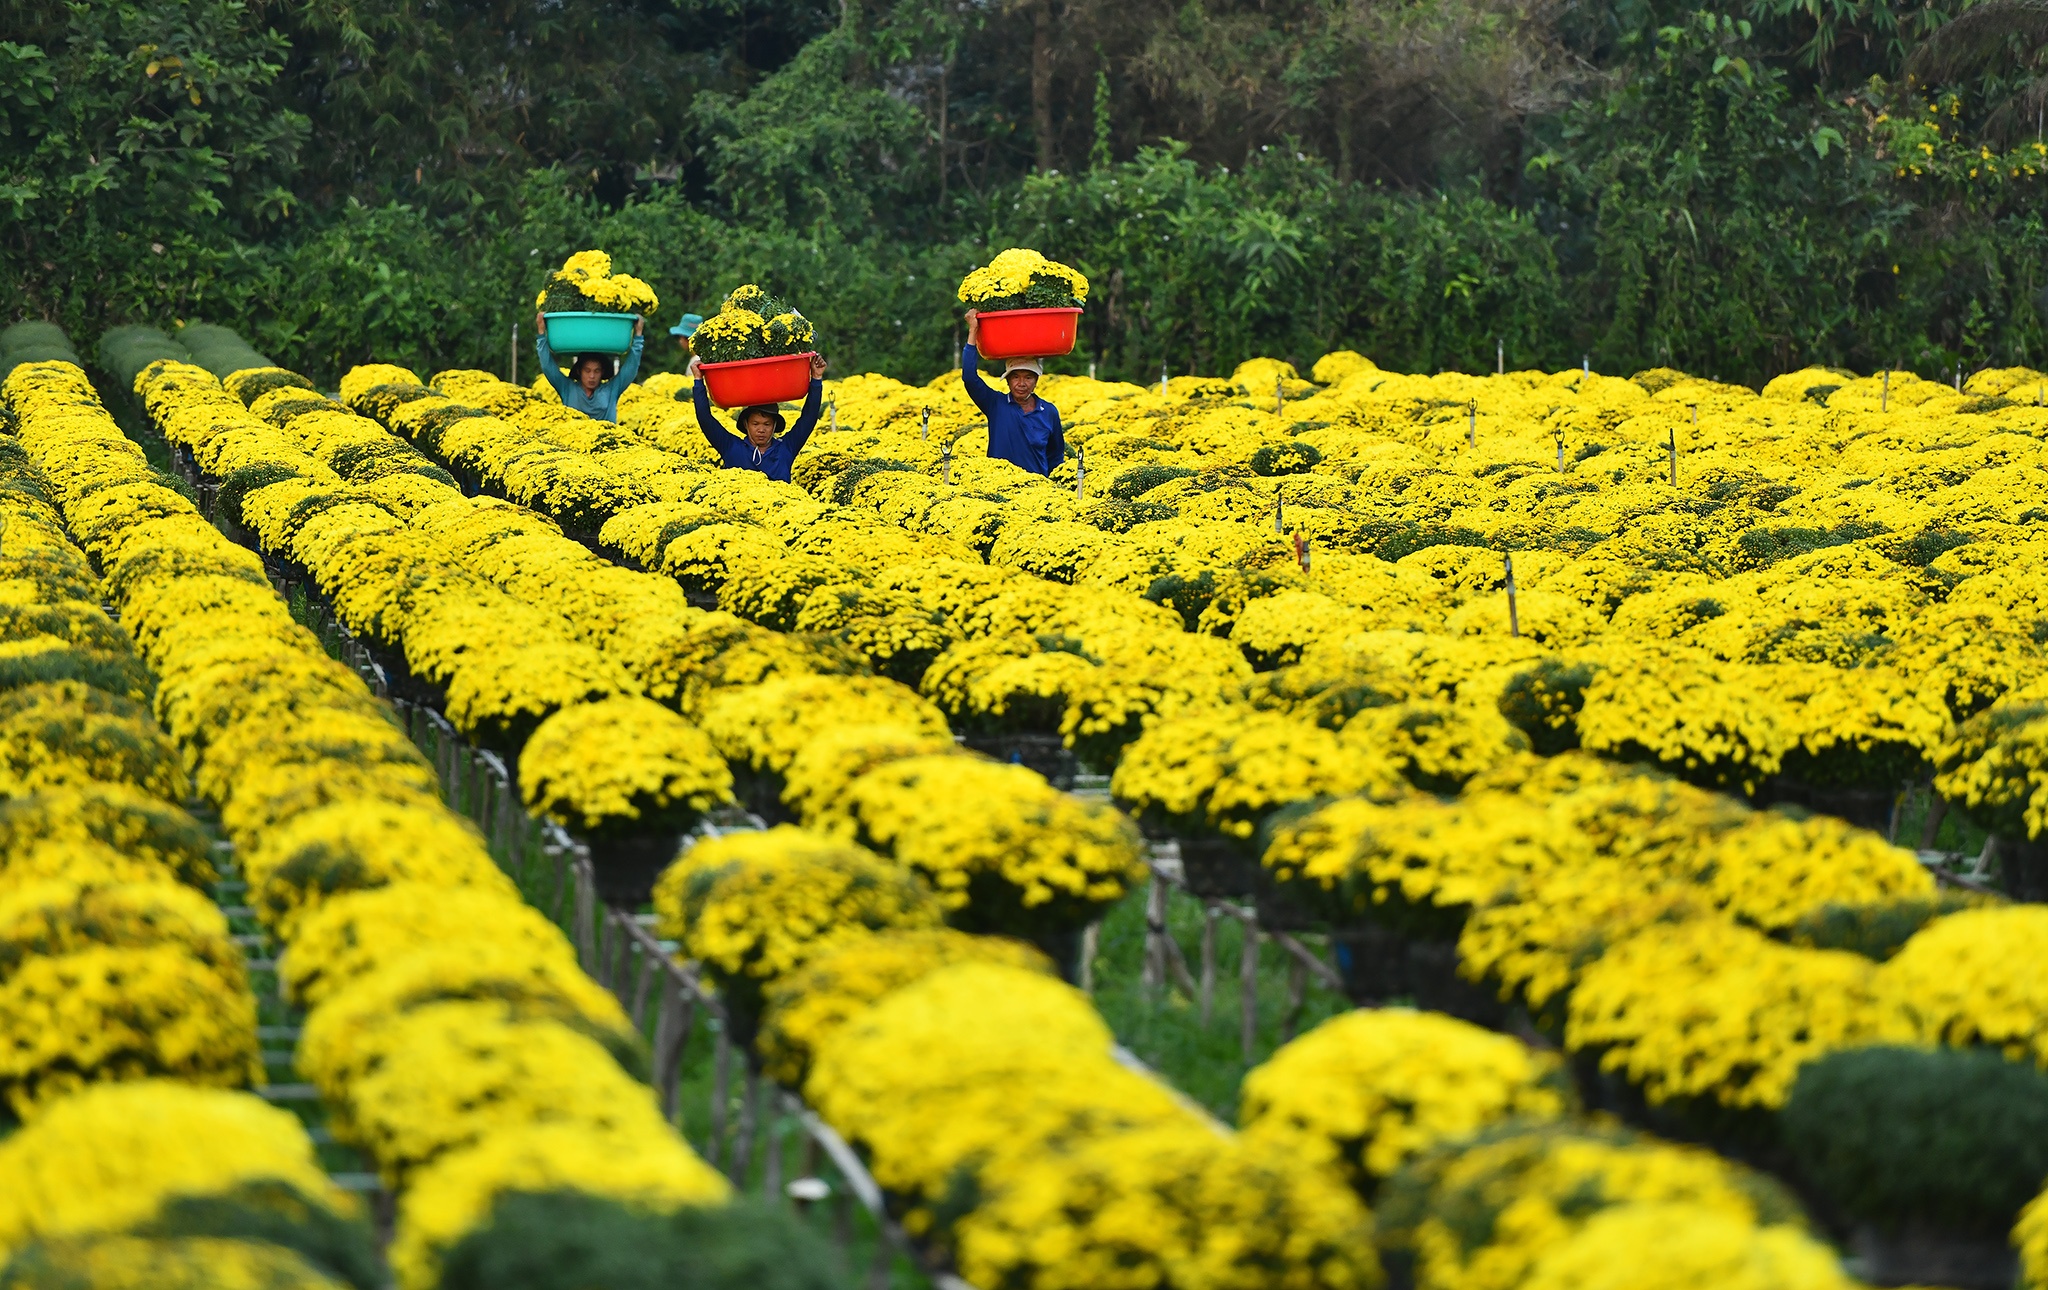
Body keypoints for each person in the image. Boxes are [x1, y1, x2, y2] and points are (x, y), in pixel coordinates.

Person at [686, 352, 829, 483]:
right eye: (755, 424)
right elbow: (705, 418)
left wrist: (816, 378)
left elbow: (809, 417)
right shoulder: (731, 446)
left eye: (766, 424)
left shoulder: (786, 448)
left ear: (774, 426)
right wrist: (698, 380)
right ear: (746, 424)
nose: (761, 430)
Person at [960, 309, 1065, 477]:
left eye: (1028, 377)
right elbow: (970, 378)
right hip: (998, 487)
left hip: (1037, 491)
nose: (1021, 383)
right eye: (1015, 377)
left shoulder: (1049, 411)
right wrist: (973, 330)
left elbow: (1055, 456)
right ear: (1007, 380)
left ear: (1036, 380)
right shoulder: (995, 404)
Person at [534, 312, 644, 422]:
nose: (592, 376)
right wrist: (541, 332)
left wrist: (638, 335)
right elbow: (548, 366)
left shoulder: (611, 390)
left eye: (597, 371)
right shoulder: (567, 388)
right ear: (579, 371)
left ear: (602, 372)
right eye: (587, 371)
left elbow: (631, 368)